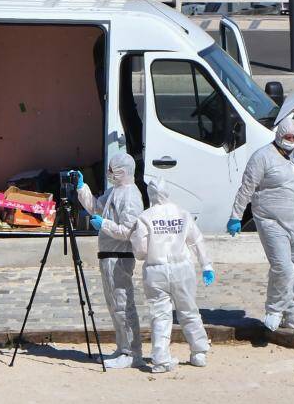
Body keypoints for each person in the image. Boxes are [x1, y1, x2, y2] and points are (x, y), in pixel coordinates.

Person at [226, 116, 294, 332]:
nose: (290, 140)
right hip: (271, 222)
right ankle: (274, 310)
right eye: (287, 137)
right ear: (279, 136)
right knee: (283, 268)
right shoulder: (262, 157)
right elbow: (247, 188)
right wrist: (236, 216)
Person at [130, 177, 214, 374]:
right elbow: (197, 240)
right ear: (168, 192)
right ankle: (199, 352)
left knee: (160, 315)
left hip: (155, 269)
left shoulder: (144, 217)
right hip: (182, 268)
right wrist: (206, 265)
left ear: (149, 194)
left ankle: (160, 358)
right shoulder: (182, 213)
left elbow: (141, 251)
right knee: (189, 310)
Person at [74, 153, 143, 369]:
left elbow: (129, 230)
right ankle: (122, 348)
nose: (109, 173)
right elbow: (96, 208)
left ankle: (131, 353)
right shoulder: (114, 191)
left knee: (123, 305)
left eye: (112, 169)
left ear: (122, 171)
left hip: (120, 257)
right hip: (108, 255)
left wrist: (104, 225)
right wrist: (81, 187)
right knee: (115, 305)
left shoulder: (131, 196)